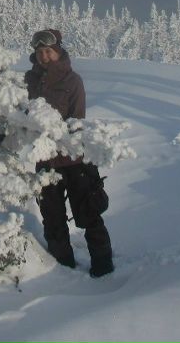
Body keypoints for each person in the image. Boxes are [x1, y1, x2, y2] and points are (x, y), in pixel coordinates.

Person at [25, 28, 114, 278]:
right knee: (52, 219)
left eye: (49, 52)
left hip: (74, 158)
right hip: (45, 160)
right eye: (40, 52)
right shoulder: (29, 81)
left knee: (90, 214)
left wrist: (56, 134)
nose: (44, 56)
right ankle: (63, 271)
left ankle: (104, 268)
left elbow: (77, 120)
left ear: (58, 51)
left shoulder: (72, 81)